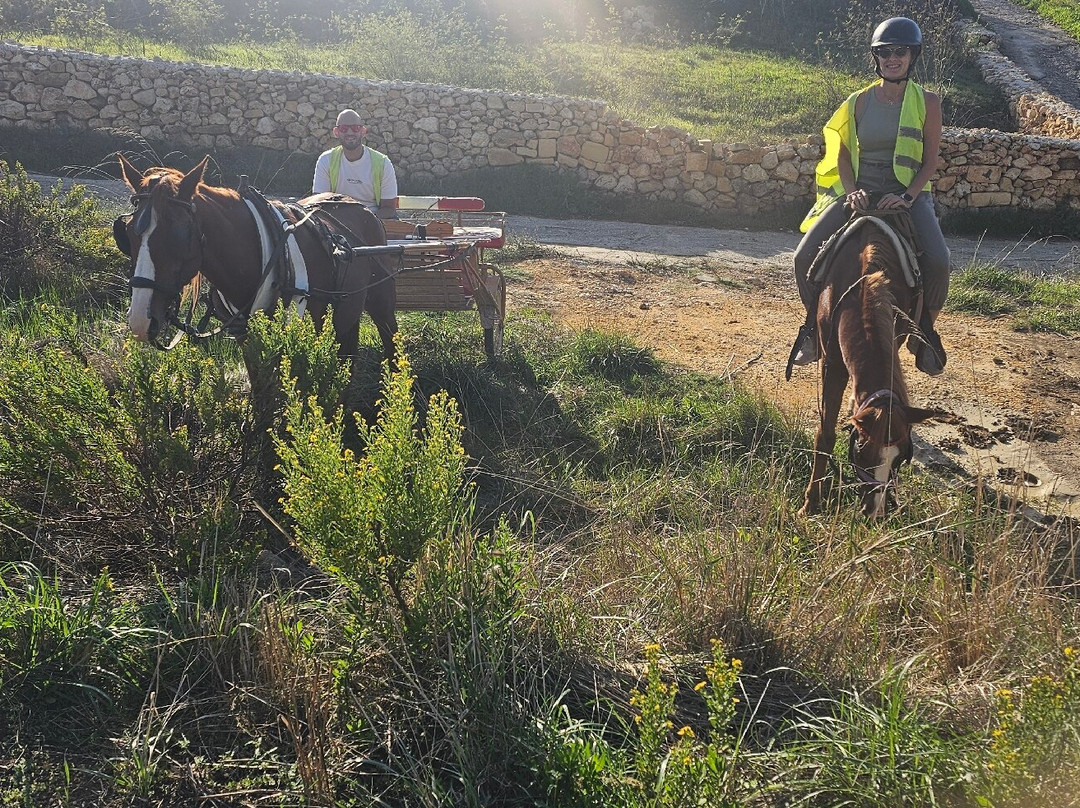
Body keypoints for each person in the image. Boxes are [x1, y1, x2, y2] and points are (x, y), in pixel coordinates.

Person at [790, 16, 950, 376]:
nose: (892, 58)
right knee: (802, 256)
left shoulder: (928, 102)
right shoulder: (858, 102)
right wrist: (852, 192)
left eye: (900, 51)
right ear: (876, 57)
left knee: (939, 261)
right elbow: (843, 154)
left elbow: (930, 162)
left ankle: (925, 332)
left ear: (912, 56)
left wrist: (907, 197)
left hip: (907, 195)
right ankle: (812, 331)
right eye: (885, 52)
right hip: (861, 192)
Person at [312, 109, 399, 219]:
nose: (350, 132)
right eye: (344, 128)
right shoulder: (326, 160)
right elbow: (319, 204)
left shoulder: (383, 163)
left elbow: (389, 209)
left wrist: (363, 221)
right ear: (336, 132)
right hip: (337, 222)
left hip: (373, 221)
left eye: (355, 128)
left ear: (363, 131)